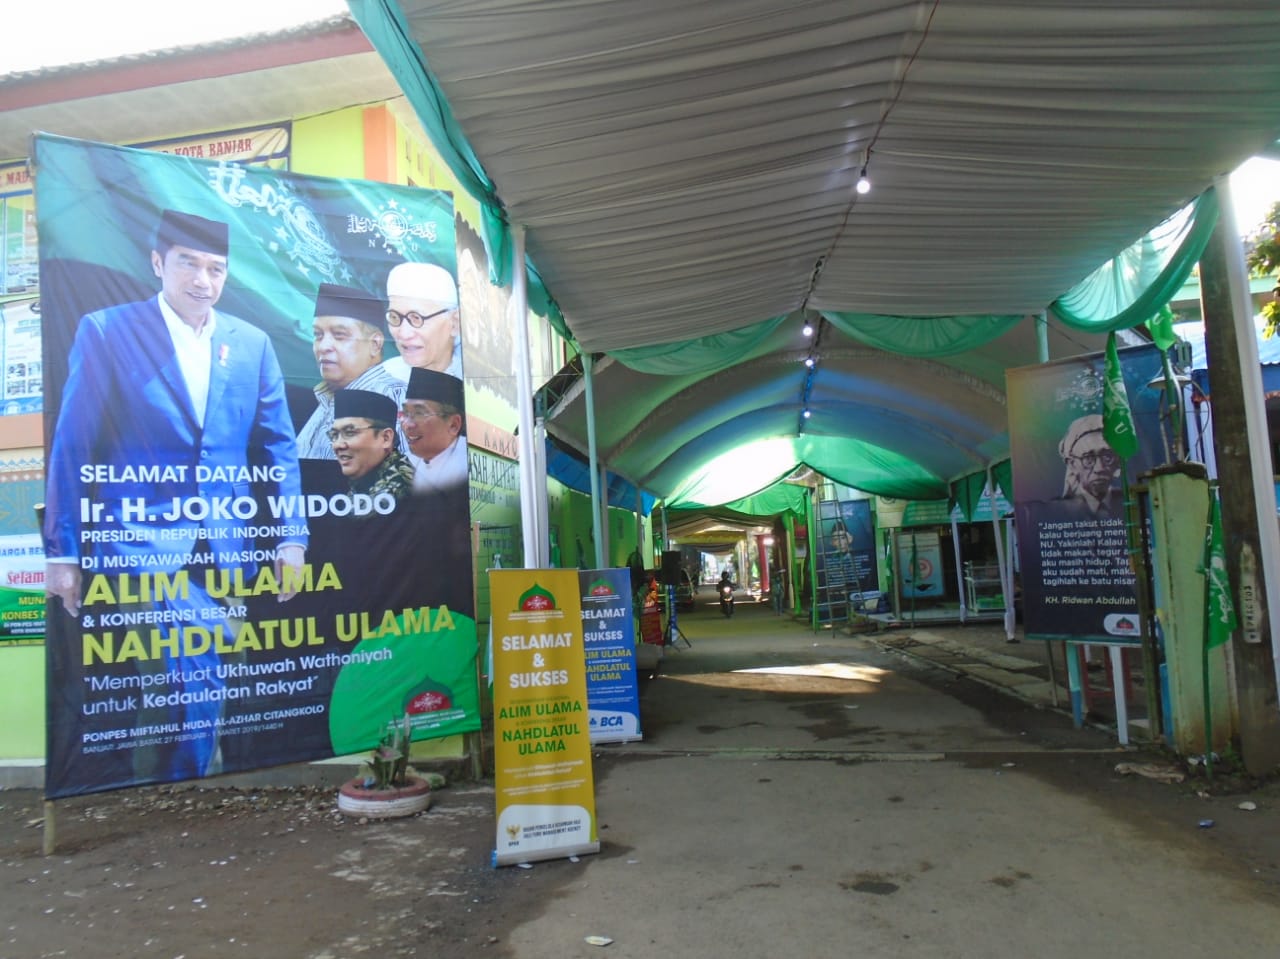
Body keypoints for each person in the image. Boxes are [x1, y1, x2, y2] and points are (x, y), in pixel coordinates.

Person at [43, 209, 306, 785]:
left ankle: (172, 784)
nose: (203, 280)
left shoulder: (251, 343)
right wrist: (61, 552)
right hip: (142, 542)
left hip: (226, 544)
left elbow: (278, 447)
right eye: (189, 263)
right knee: (192, 669)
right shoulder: (108, 331)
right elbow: (73, 444)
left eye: (216, 268)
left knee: (200, 680)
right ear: (159, 263)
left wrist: (291, 537)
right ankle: (177, 787)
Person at [295, 283, 405, 459]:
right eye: (318, 335)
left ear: (375, 344)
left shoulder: (394, 398)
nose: (323, 347)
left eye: (339, 335)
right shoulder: (327, 399)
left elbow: (409, 481)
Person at [381, 261, 463, 381]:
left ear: (454, 323)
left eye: (416, 318)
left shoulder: (475, 378)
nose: (404, 334)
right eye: (394, 317)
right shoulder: (381, 379)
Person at [330, 388, 414, 499]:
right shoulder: (360, 488)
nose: (338, 445)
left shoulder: (411, 492)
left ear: (386, 438)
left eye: (350, 433)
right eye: (334, 435)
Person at [401, 366, 469, 493]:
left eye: (419, 413)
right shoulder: (405, 465)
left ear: (454, 424)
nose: (408, 425)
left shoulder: (467, 465)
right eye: (405, 413)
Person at [1054, 414, 1124, 517]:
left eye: (1107, 457)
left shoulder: (1130, 504)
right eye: (1088, 459)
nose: (1099, 468)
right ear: (1072, 464)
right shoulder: (1057, 512)